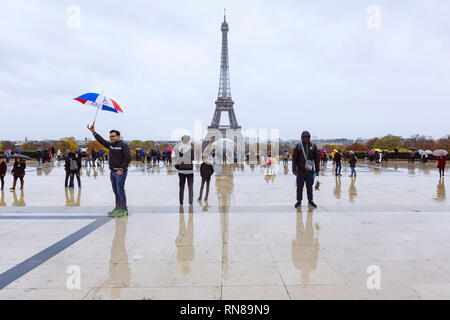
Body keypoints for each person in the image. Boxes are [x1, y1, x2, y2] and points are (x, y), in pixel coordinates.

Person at [87, 123, 131, 217]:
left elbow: (127, 158)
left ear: (118, 136)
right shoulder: (111, 145)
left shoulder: (123, 145)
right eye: (110, 136)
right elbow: (101, 141)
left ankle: (124, 209)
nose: (111, 138)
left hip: (120, 172)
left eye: (113, 136)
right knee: (115, 190)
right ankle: (118, 207)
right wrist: (93, 132)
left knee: (120, 190)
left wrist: (121, 169)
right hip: (113, 172)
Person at [292, 131, 320, 208]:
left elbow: (317, 158)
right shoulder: (298, 146)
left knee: (309, 186)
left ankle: (310, 201)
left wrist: (317, 170)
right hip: (300, 170)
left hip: (310, 171)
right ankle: (299, 201)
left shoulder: (313, 146)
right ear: (302, 137)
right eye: (304, 137)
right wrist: (294, 169)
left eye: (307, 137)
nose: (306, 138)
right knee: (299, 187)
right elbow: (294, 159)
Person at [174, 135, 194, 206]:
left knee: (181, 188)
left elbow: (177, 159)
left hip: (181, 170)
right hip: (189, 170)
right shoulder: (191, 149)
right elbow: (192, 158)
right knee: (190, 187)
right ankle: (191, 202)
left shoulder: (179, 149)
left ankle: (181, 203)